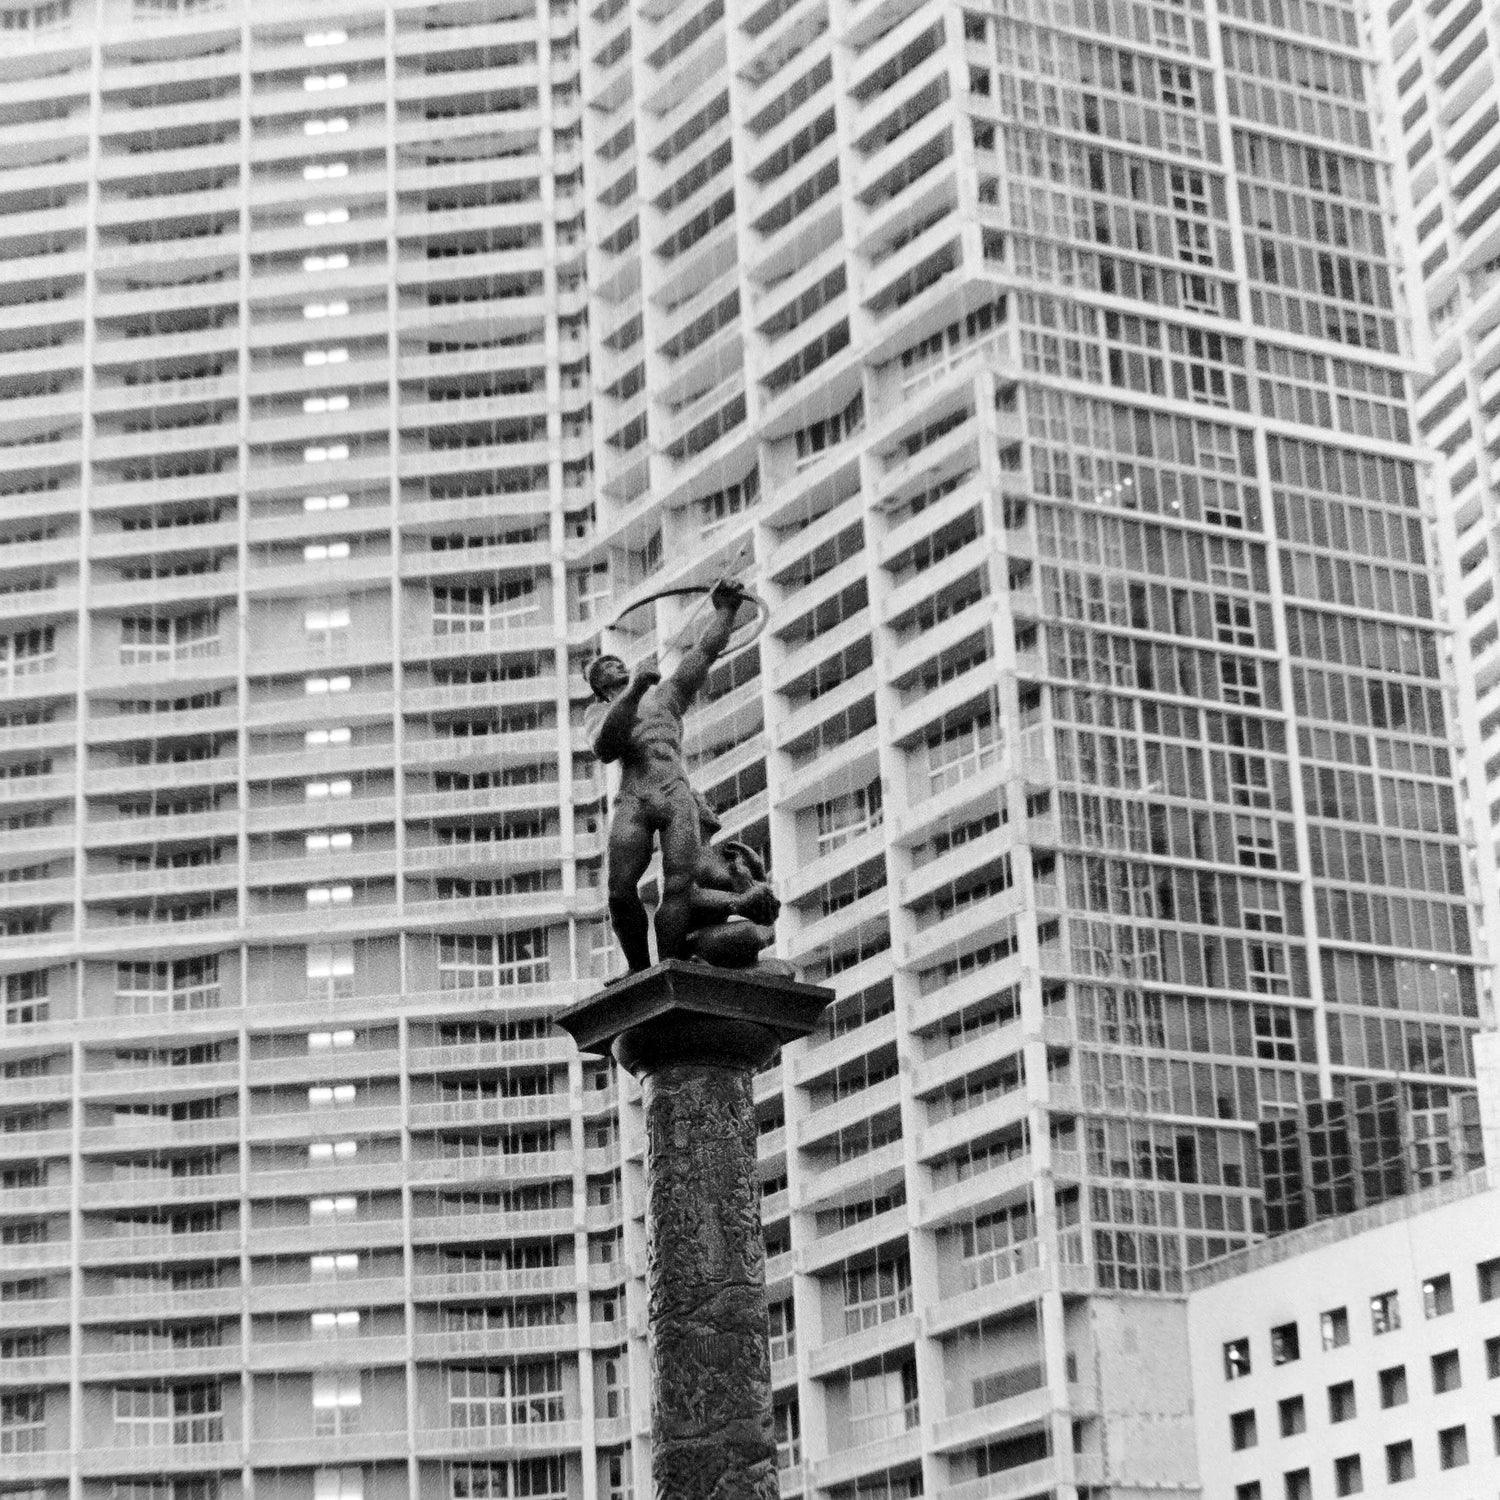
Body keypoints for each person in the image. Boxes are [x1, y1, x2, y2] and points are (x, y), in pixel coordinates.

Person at [585, 578, 752, 971]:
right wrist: (633, 690)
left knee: (679, 884)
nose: (616, 664)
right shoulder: (598, 713)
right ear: (599, 687)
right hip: (634, 796)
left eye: (617, 661)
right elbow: (606, 747)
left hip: (674, 790)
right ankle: (639, 969)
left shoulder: (667, 696)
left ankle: (672, 963)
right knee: (619, 891)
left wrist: (726, 610)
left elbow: (705, 652)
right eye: (606, 666)